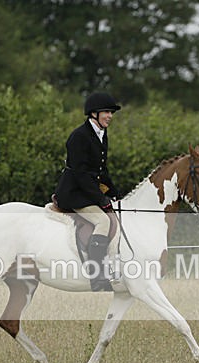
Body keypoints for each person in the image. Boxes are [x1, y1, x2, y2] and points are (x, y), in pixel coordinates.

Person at [54, 92, 122, 291]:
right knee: (103, 221)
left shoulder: (101, 133)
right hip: (74, 192)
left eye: (111, 112)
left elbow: (101, 170)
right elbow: (81, 175)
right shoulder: (79, 136)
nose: (110, 116)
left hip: (88, 190)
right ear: (94, 113)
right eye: (107, 112)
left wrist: (115, 193)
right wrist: (101, 199)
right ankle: (97, 276)